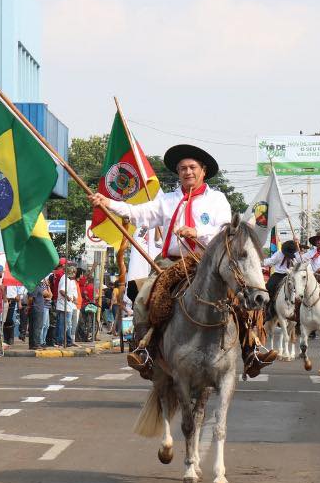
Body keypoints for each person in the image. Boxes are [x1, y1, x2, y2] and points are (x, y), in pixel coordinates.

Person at [90, 143, 276, 378]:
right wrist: (108, 204)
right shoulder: (167, 201)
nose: (187, 172)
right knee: (144, 298)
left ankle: (253, 349)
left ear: (203, 171)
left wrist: (197, 232)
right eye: (182, 168)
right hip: (171, 263)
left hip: (208, 263)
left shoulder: (217, 199)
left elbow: (225, 233)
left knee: (242, 298)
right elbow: (137, 213)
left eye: (192, 167)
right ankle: (145, 350)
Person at [263, 240, 299, 319]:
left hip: (290, 275)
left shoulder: (295, 255)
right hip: (278, 274)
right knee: (269, 287)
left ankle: (298, 311)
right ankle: (268, 309)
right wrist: (262, 262)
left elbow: (299, 264)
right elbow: (271, 261)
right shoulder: (279, 254)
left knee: (299, 289)